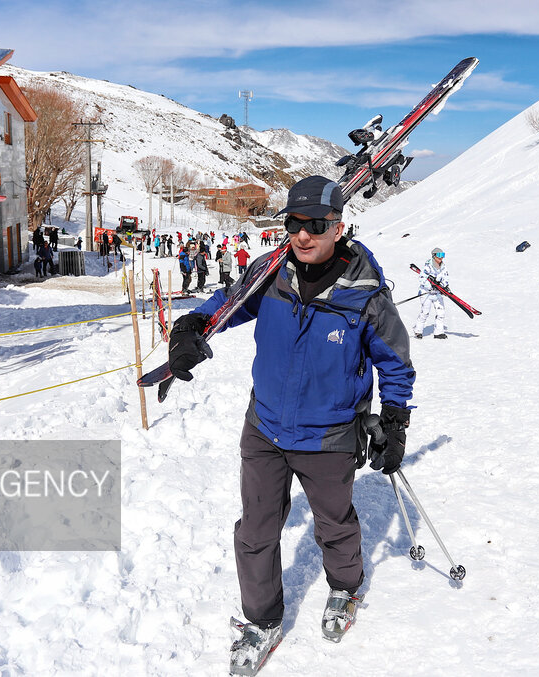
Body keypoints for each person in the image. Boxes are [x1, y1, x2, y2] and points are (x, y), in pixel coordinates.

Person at [166, 175, 415, 673]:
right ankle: (261, 621)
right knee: (255, 532)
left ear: (339, 227)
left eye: (316, 225)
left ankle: (345, 588)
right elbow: (229, 302)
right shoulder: (272, 273)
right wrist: (191, 325)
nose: (303, 235)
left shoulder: (365, 295)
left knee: (334, 526)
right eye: (294, 223)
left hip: (330, 436)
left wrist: (394, 420)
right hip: (265, 427)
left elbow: (395, 362)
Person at [413, 247, 449, 339]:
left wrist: (444, 286)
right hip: (426, 293)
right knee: (425, 312)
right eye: (439, 255)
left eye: (443, 255)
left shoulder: (443, 267)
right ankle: (418, 331)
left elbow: (445, 278)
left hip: (437, 293)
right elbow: (422, 278)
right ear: (434, 256)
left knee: (441, 313)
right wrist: (430, 286)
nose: (441, 257)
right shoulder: (428, 266)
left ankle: (438, 332)